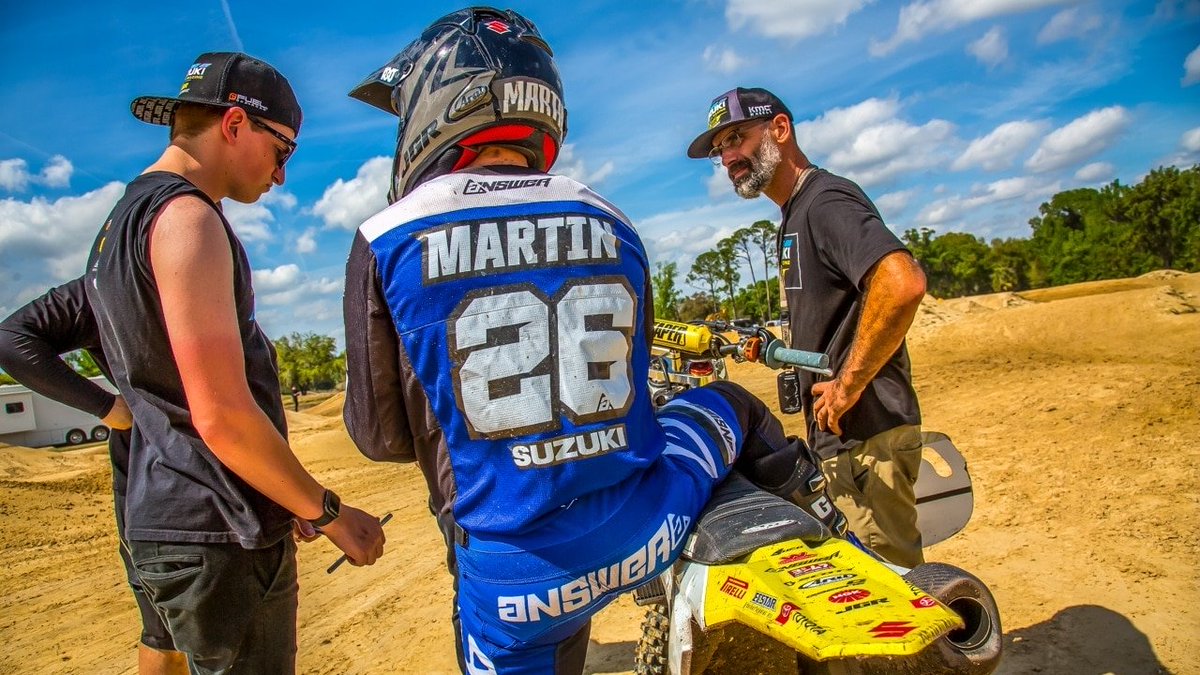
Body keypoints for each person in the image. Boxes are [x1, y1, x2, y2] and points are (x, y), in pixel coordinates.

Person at [342, 8, 847, 674]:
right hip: (642, 528)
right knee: (731, 401)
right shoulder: (610, 216)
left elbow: (381, 437)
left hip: (516, 576)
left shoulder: (385, 237)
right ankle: (828, 523)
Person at [82, 51, 386, 673]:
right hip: (217, 532)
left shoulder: (120, 227)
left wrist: (282, 499)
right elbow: (219, 414)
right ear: (235, 124)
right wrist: (326, 513)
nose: (281, 175)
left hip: (170, 521)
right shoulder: (187, 219)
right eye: (283, 150)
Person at [688, 87, 929, 568]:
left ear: (780, 128)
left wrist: (847, 384)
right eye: (721, 150)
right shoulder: (794, 214)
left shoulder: (823, 202)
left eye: (737, 137)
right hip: (846, 444)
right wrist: (784, 351)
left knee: (892, 597)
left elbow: (902, 282)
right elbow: (837, 322)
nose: (730, 156)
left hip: (867, 436)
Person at [0, 281, 188, 675]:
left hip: (204, 474)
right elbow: (10, 339)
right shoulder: (109, 282)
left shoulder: (210, 270)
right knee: (167, 632)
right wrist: (105, 405)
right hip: (155, 481)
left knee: (189, 631)